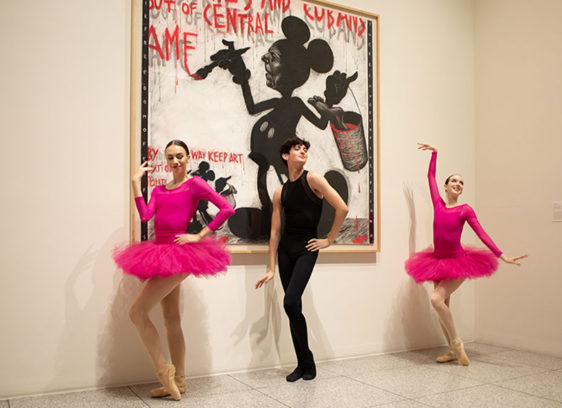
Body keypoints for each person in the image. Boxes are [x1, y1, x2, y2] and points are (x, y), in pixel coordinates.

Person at [113, 140, 235, 400]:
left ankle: (163, 371)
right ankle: (179, 382)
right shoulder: (159, 190)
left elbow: (227, 208)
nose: (175, 161)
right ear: (166, 161)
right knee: (171, 319)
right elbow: (146, 216)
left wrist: (199, 235)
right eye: (170, 158)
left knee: (137, 312)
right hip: (160, 251)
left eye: (180, 156)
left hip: (181, 254)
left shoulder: (195, 184)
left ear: (188, 157)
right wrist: (135, 183)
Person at [405, 143, 527, 365]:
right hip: (436, 262)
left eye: (461, 182)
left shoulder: (465, 210)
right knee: (444, 307)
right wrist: (434, 154)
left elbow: (482, 234)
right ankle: (452, 351)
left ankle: (457, 344)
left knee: (435, 300)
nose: (458, 184)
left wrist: (502, 256)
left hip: (458, 262)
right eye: (454, 181)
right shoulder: (438, 204)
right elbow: (430, 176)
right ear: (445, 186)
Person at [255, 136, 349, 381]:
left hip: (307, 248)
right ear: (285, 156)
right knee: (294, 307)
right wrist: (271, 268)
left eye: (305, 149)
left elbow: (342, 208)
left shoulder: (314, 179)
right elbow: (275, 232)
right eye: (297, 149)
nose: (303, 151)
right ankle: (302, 365)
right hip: (286, 249)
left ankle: (307, 359)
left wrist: (328, 239)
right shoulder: (280, 192)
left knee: (289, 302)